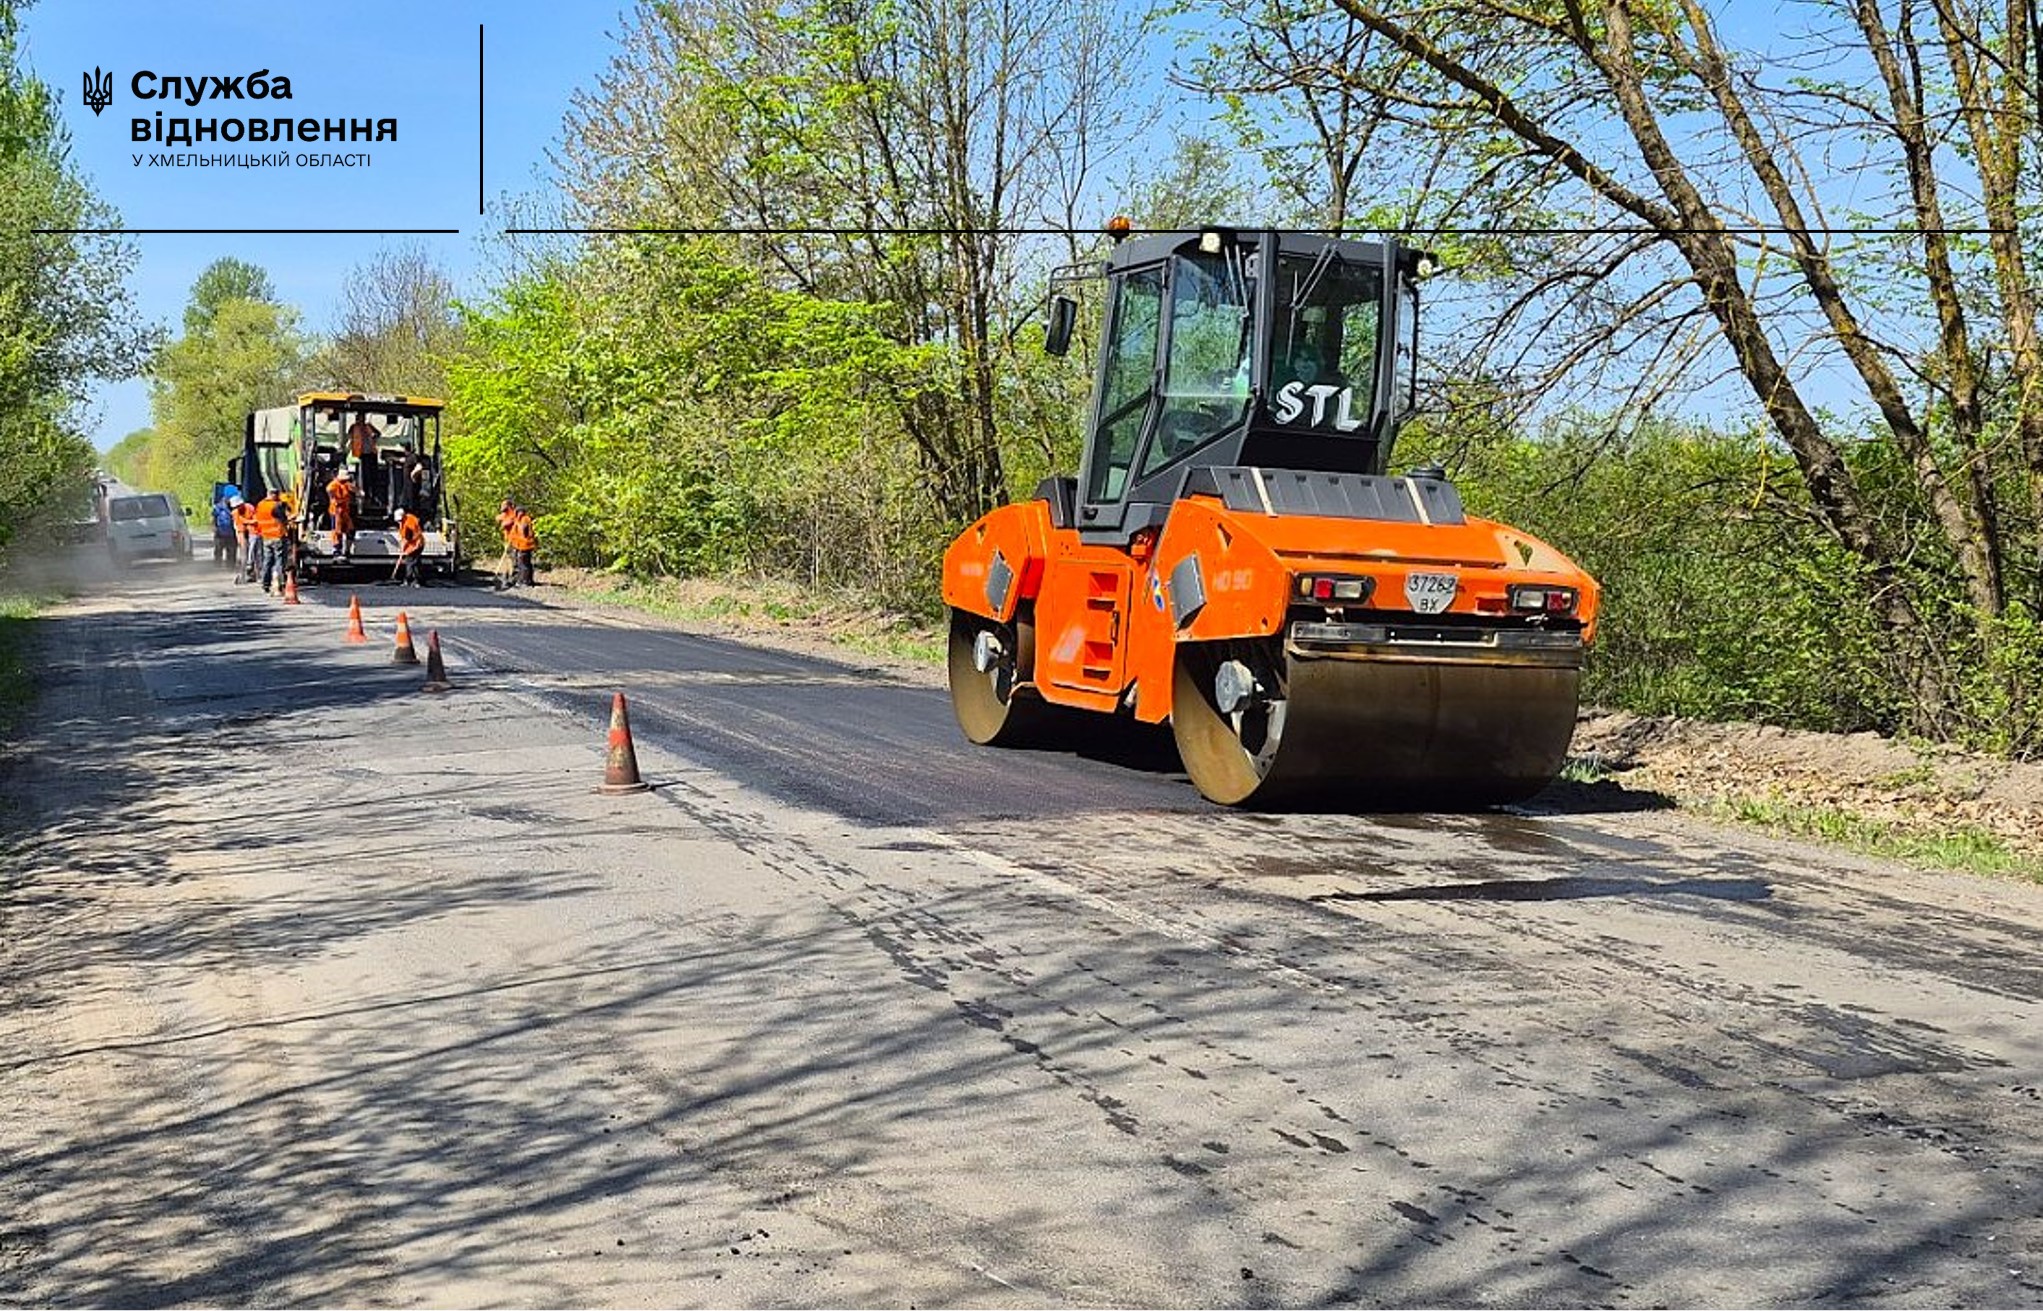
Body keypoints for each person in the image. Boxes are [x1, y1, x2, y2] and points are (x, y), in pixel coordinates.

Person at [254, 487, 289, 593]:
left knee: (267, 560)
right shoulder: (276, 506)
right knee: (279, 561)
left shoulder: (260, 505)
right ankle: (281, 583)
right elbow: (283, 519)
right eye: (277, 495)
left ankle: (265, 584)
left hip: (266, 536)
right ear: (274, 494)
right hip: (277, 535)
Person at [325, 466, 356, 559]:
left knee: (350, 530)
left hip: (345, 511)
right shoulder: (334, 484)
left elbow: (355, 489)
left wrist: (358, 491)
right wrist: (333, 497)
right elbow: (329, 490)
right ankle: (336, 551)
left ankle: (347, 550)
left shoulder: (346, 484)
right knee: (337, 531)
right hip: (336, 511)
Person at [393, 507, 425, 587]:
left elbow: (408, 538)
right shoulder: (408, 518)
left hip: (415, 545)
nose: (398, 522)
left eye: (399, 520)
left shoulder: (409, 524)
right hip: (416, 543)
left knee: (411, 562)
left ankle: (410, 580)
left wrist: (404, 547)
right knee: (415, 562)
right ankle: (415, 581)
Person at [507, 505, 538, 588]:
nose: (518, 514)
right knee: (524, 563)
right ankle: (524, 580)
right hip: (520, 545)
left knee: (523, 563)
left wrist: (517, 524)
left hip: (525, 545)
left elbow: (523, 530)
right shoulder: (519, 520)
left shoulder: (524, 519)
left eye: (519, 512)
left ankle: (525, 582)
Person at [233, 495, 260, 582]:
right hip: (243, 531)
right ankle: (243, 573)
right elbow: (239, 527)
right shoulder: (235, 513)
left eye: (239, 506)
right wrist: (241, 541)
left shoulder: (250, 508)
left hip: (253, 530)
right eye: (236, 507)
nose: (238, 508)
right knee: (243, 553)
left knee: (253, 550)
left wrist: (248, 522)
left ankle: (255, 572)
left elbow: (255, 520)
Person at [211, 493, 237, 567]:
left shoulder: (234, 507)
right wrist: (214, 528)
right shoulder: (218, 507)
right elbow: (213, 518)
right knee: (218, 550)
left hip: (231, 532)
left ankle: (230, 565)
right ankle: (217, 564)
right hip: (220, 532)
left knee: (231, 550)